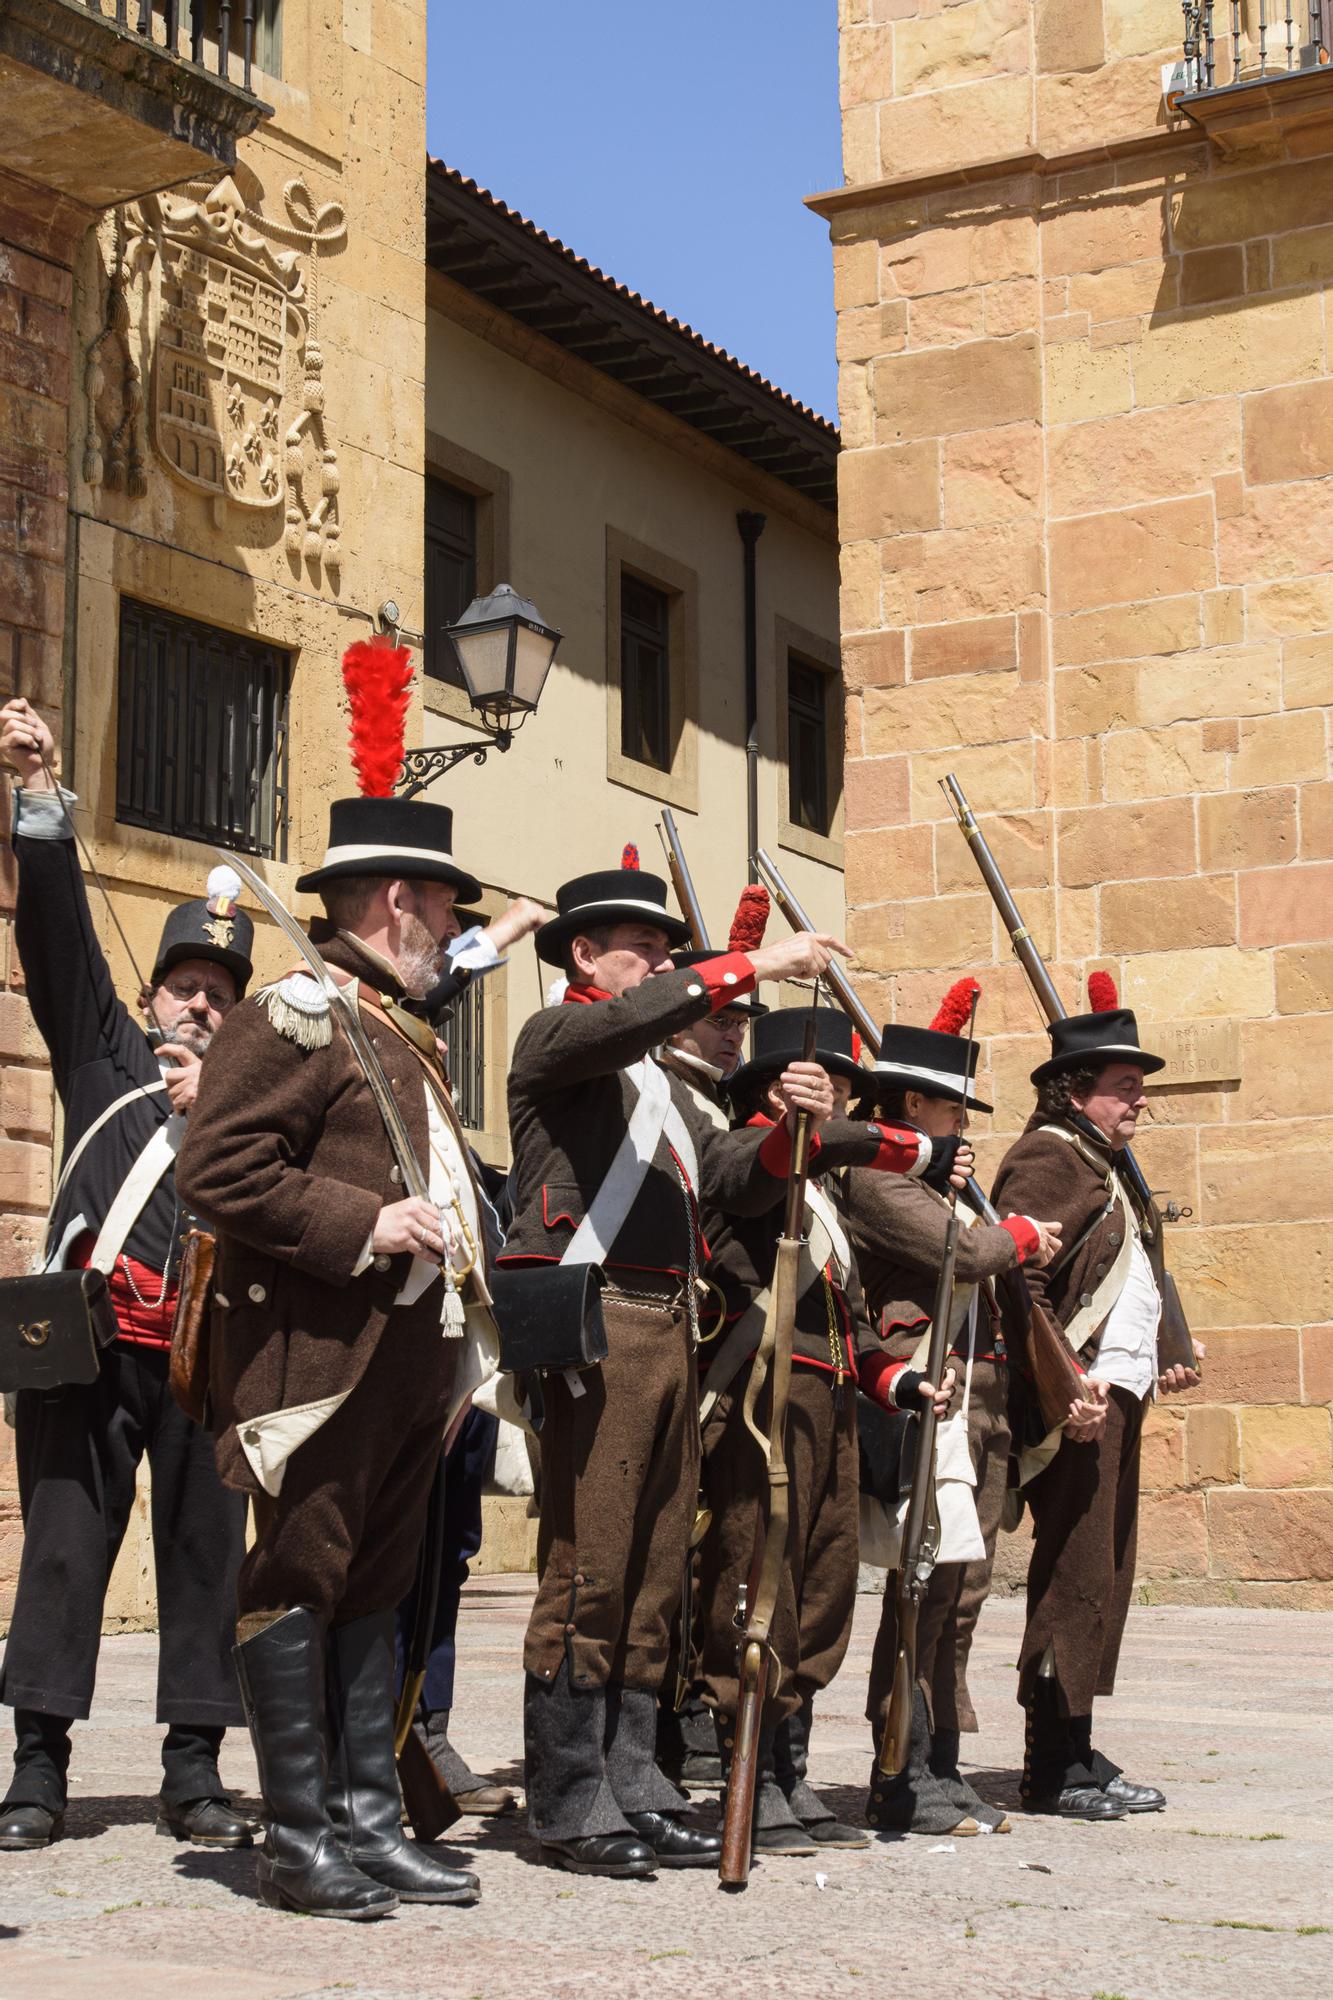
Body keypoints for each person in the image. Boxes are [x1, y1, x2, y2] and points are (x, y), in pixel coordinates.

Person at [177, 791, 496, 1918]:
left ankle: (368, 1819)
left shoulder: (390, 1022)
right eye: (446, 903)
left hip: (405, 1353)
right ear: (400, 898)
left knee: (376, 1581)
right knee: (300, 1575)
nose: (453, 924)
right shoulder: (296, 1013)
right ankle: (295, 1837)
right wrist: (366, 1221)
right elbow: (216, 1170)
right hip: (317, 1355)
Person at [502, 850, 849, 1878]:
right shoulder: (559, 1034)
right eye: (642, 946)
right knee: (591, 1563)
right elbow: (626, 1023)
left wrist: (796, 1128)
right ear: (584, 954)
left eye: (664, 949)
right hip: (592, 1315)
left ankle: (633, 1776)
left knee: (655, 1566)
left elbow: (735, 1177)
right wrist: (745, 966)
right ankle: (567, 1795)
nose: (657, 962)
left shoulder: (662, 1083)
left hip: (669, 1326)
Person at [0, 695, 254, 1854]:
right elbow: (55, 943)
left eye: (220, 991)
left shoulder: (256, 1099)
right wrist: (42, 802)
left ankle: (193, 1769)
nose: (199, 1000)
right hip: (92, 1345)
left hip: (210, 1355)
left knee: (207, 1560)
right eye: (184, 984)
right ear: (152, 995)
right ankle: (38, 1769)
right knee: (61, 1550)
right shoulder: (107, 1055)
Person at [693, 1006, 975, 1855]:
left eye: (850, 1091)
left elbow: (847, 1324)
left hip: (827, 1404)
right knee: (757, 1584)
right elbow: (763, 1166)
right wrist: (796, 1122)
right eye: (826, 1086)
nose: (841, 1104)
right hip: (760, 1401)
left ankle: (786, 1769)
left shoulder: (822, 1195)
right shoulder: (745, 1153)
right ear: (769, 1089)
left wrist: (898, 1379)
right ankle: (751, 1764)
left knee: (819, 1590)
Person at [844, 988, 1060, 1837]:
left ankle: (940, 1764)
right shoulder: (872, 1176)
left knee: (963, 1594)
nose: (961, 1126)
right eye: (948, 1107)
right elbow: (969, 1253)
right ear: (906, 1105)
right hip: (930, 1403)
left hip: (981, 1403)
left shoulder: (941, 1181)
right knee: (923, 1591)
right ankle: (896, 1770)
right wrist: (1021, 1232)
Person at [990, 977, 1201, 1821]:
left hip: (1110, 1392)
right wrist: (1061, 1383)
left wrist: (1169, 1347)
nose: (1137, 1102)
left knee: (1103, 1575)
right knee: (1074, 1573)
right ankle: (1050, 1764)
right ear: (1074, 1090)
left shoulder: (1100, 1161)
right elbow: (1018, 1277)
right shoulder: (1049, 1154)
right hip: (1072, 1400)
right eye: (1123, 1088)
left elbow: (1140, 1259)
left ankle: (1075, 1741)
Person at [654, 885, 772, 1788]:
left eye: (741, 1021)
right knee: (669, 1549)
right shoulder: (668, 1099)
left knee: (715, 1545)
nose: (732, 1032)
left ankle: (692, 1706)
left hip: (723, 1351)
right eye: (718, 1015)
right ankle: (667, 1715)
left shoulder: (714, 1107)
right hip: (680, 1349)